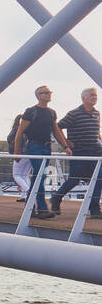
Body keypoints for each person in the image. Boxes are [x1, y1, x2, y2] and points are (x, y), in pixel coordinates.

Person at [13, 85, 71, 219]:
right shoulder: (31, 111)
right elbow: (20, 131)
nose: (48, 94)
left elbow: (56, 131)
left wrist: (65, 146)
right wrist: (17, 151)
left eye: (49, 92)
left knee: (38, 177)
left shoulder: (51, 112)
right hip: (34, 146)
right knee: (40, 176)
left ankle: (30, 207)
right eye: (45, 93)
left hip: (46, 147)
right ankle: (42, 209)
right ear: (39, 95)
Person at [49, 86, 102, 217]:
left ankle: (95, 210)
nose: (94, 97)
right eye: (91, 95)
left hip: (96, 151)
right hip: (80, 150)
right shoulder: (74, 113)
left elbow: (96, 132)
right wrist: (66, 143)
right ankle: (56, 198)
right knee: (74, 179)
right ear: (84, 98)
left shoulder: (97, 113)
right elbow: (57, 127)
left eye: (95, 95)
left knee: (98, 179)